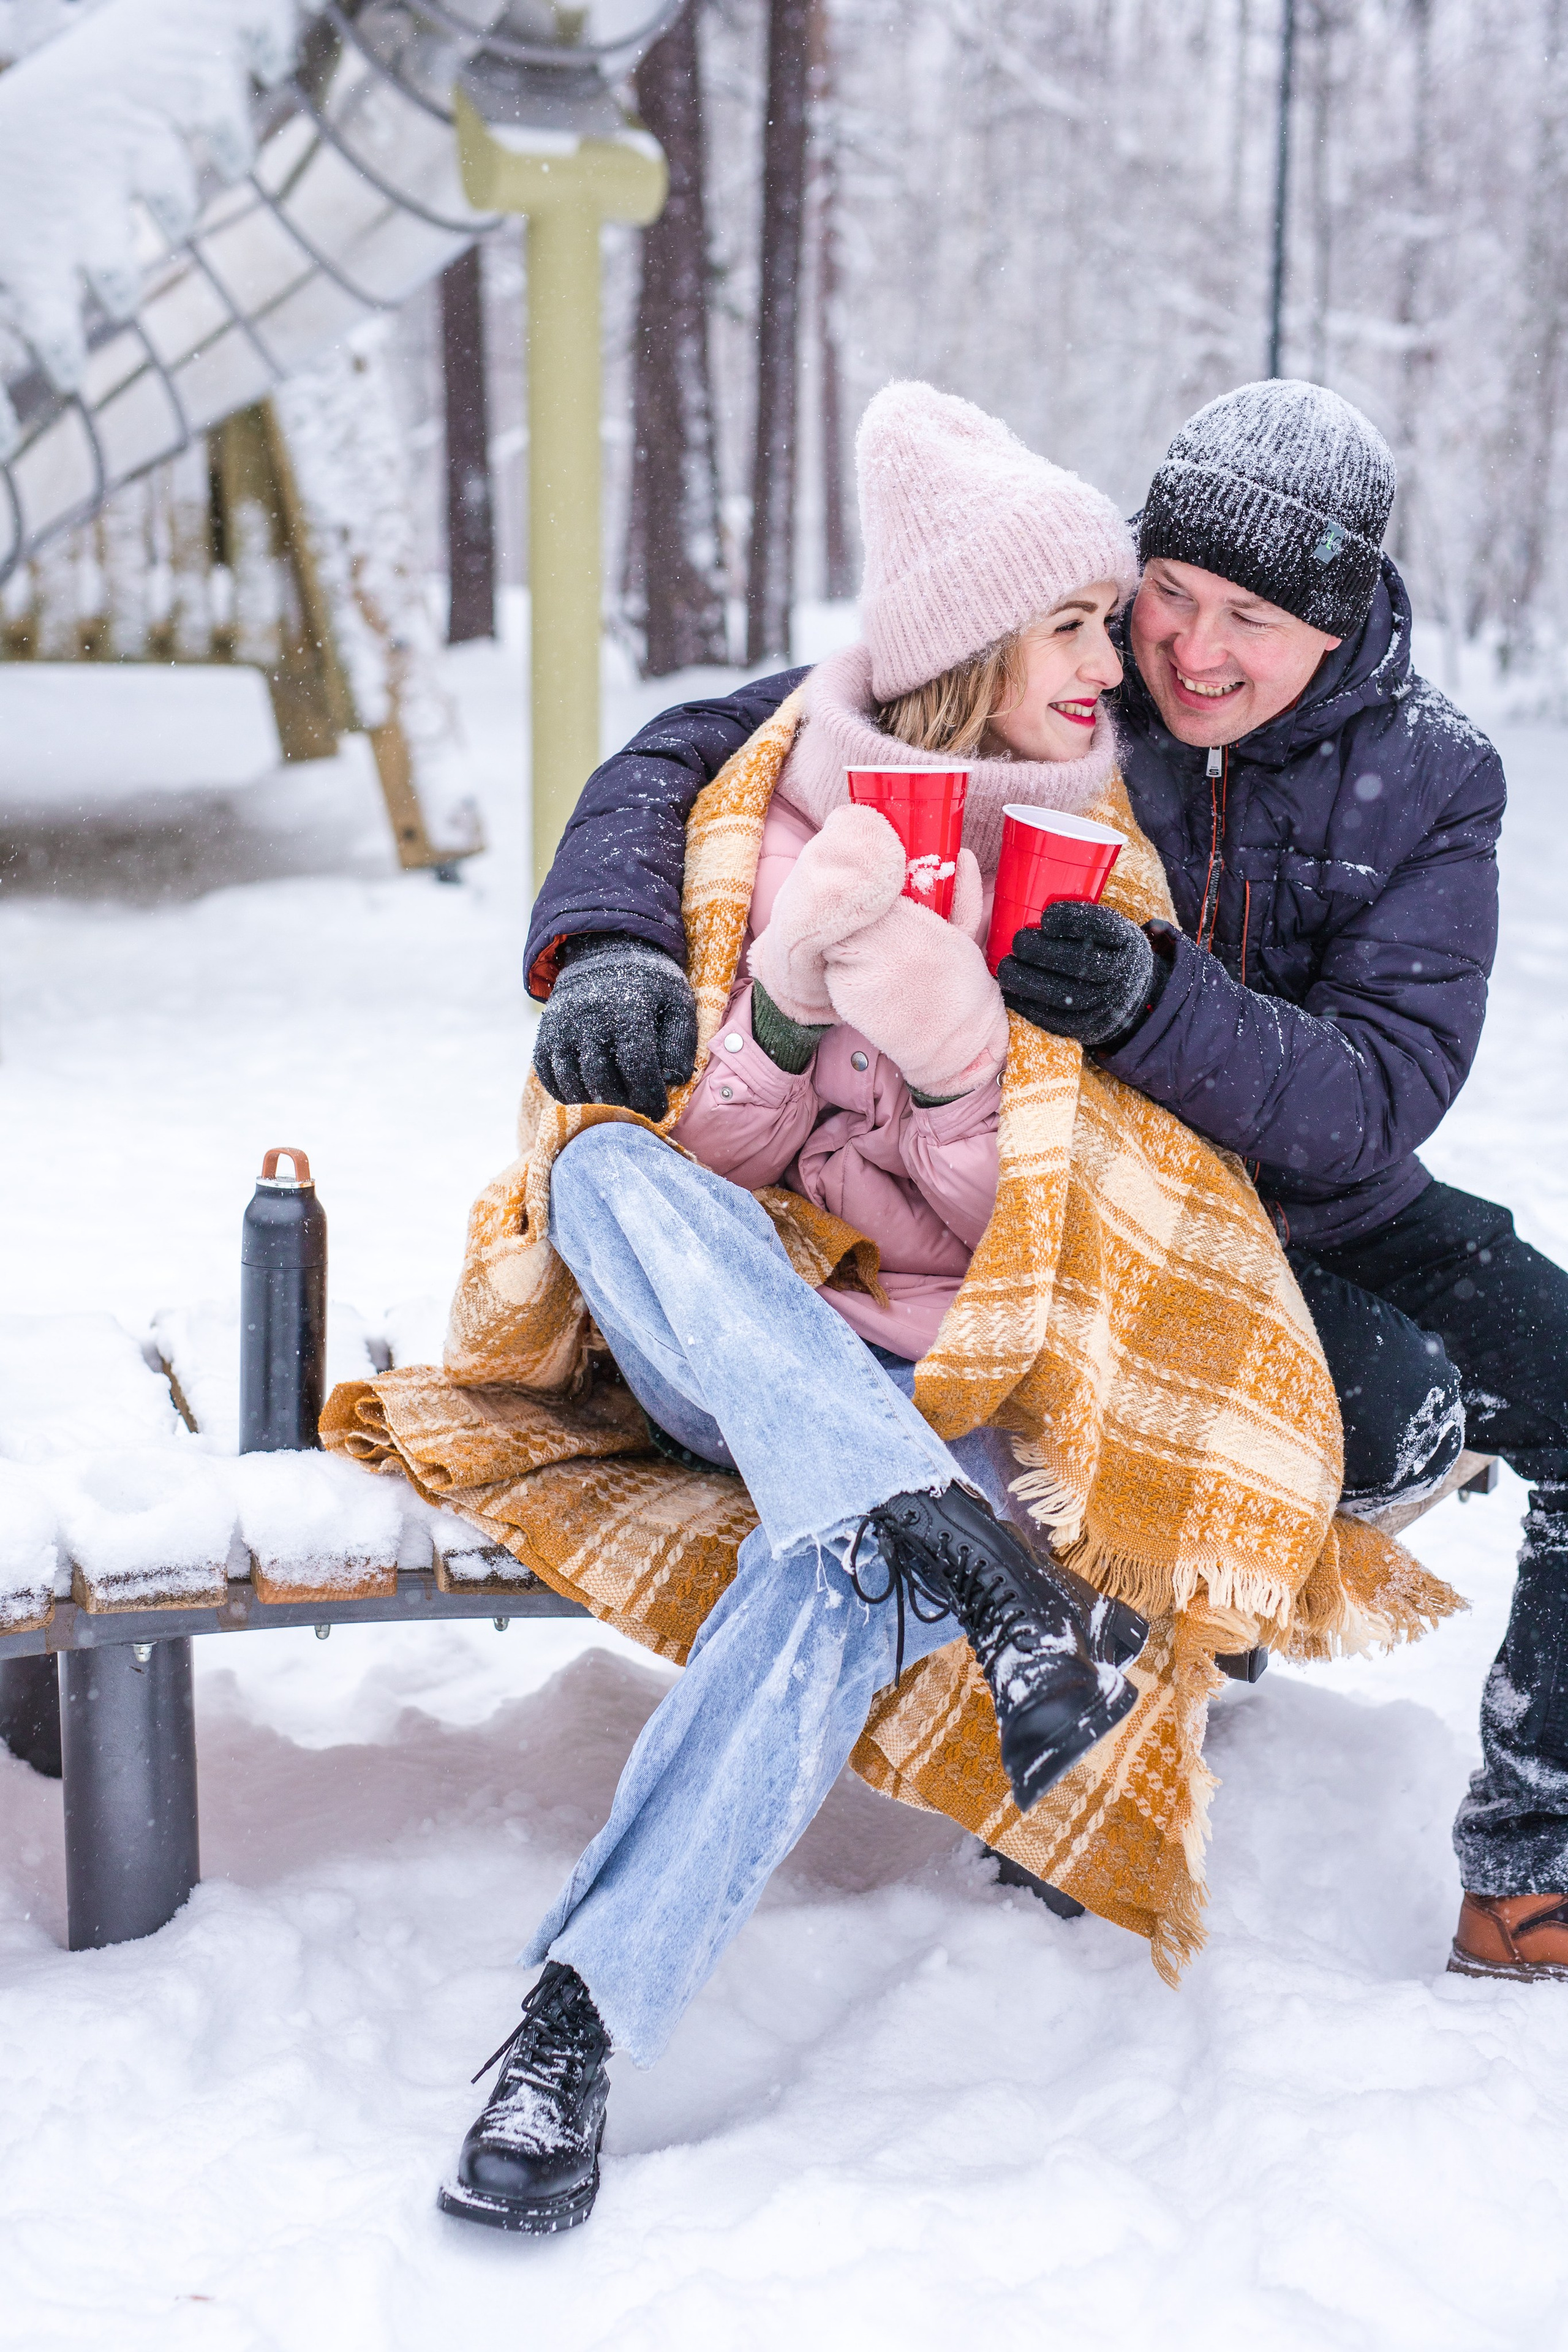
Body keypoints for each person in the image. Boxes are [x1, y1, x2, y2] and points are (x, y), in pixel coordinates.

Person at [526, 375, 1568, 1997]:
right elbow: (696, 750)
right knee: (1288, 1409)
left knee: (1518, 1383)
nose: (1189, 655)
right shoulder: (1070, 666)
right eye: (1172, 597)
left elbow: (1378, 1092)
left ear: (1347, 624)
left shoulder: (1430, 777)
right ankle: (1097, 1732)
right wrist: (607, 941)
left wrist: (1166, 1006)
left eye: (1253, 622)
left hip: (1313, 1194)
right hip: (1049, 1200)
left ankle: (1529, 1858)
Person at [439, 386, 1170, 2234]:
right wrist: (770, 1006)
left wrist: (947, 1075)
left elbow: (1053, 1225)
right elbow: (707, 1157)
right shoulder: (764, 803)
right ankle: (951, 1551)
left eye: (1107, 620)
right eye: (1075, 625)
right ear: (967, 650)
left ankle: (574, 2029)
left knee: (836, 1566)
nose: (1117, 665)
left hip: (942, 1366)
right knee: (604, 1174)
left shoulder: (1104, 865)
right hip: (746, 1338)